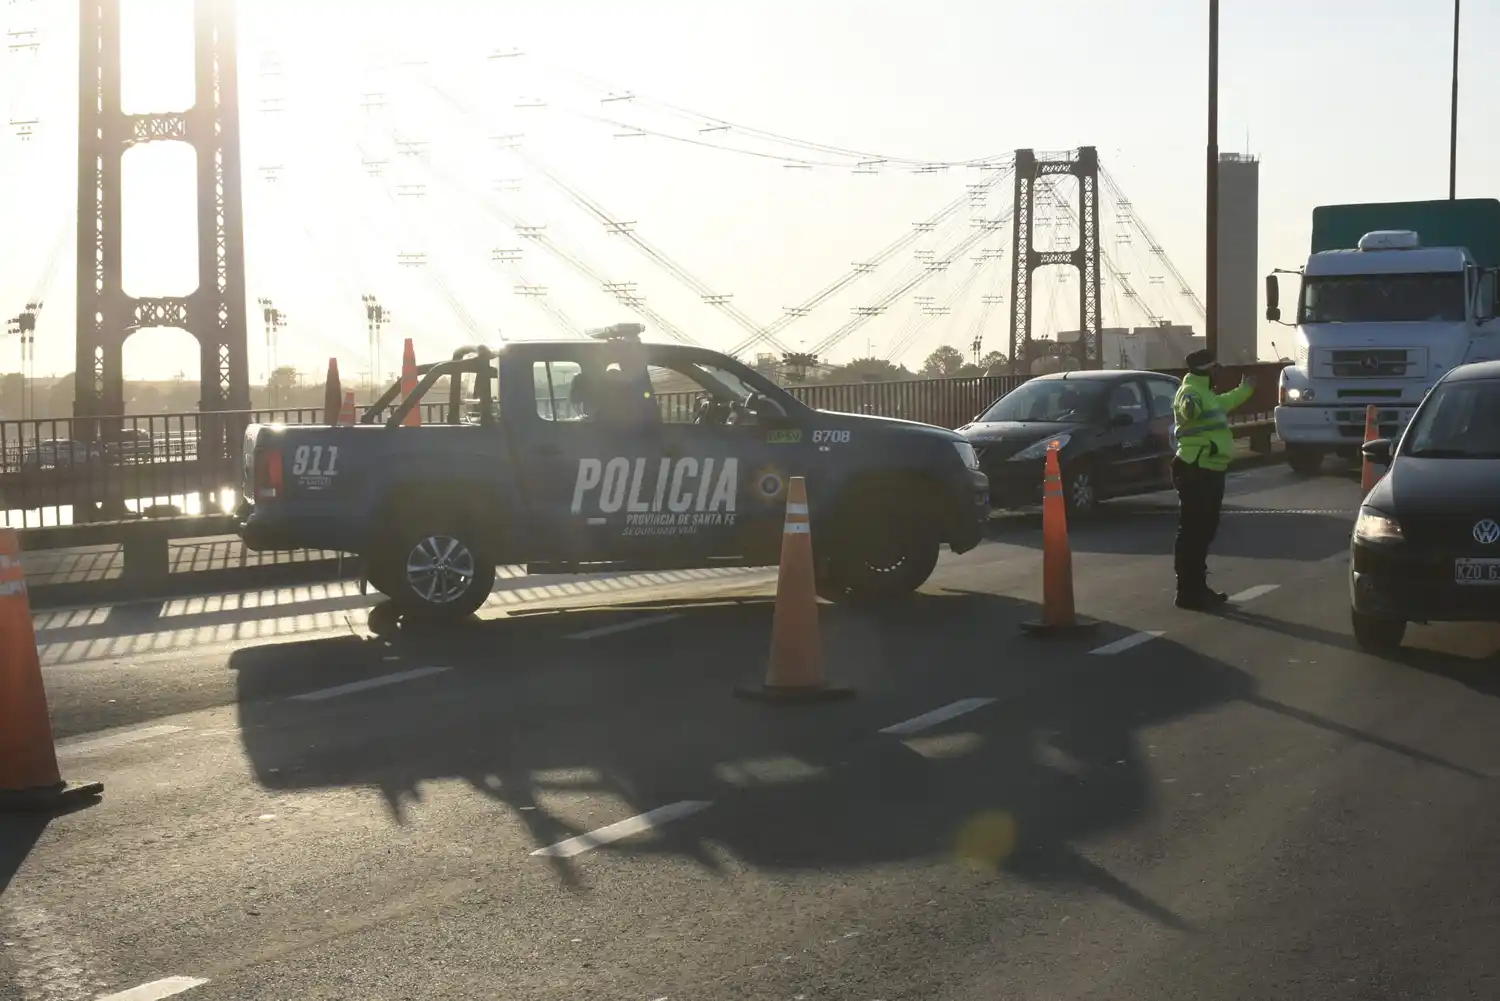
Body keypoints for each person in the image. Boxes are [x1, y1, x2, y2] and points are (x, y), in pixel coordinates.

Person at [1171, 348, 1255, 610]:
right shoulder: (1192, 392)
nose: (1219, 372)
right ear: (1206, 370)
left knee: (1204, 532)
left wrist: (1246, 389)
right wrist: (1189, 406)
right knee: (1194, 533)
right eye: (1216, 368)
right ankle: (1188, 591)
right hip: (1195, 469)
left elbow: (1224, 403)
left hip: (1209, 469)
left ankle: (1198, 588)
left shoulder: (1207, 394)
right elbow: (1189, 408)